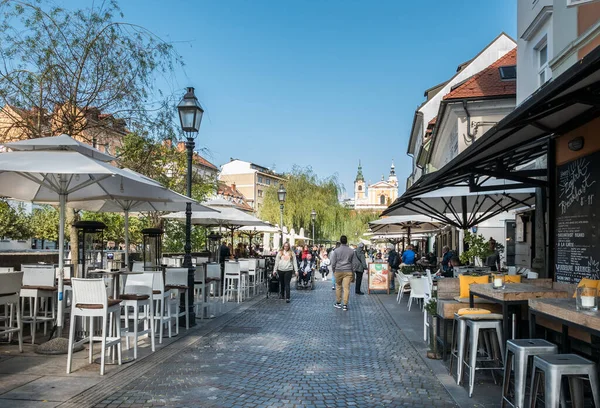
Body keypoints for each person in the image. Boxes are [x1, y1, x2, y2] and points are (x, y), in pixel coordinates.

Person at [330, 235, 355, 311]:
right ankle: (345, 304)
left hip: (338, 270)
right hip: (348, 270)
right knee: (346, 288)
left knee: (338, 287)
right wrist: (353, 272)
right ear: (346, 241)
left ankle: (338, 303)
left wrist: (333, 270)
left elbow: (333, 262)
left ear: (340, 241)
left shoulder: (336, 251)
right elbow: (353, 263)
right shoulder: (351, 251)